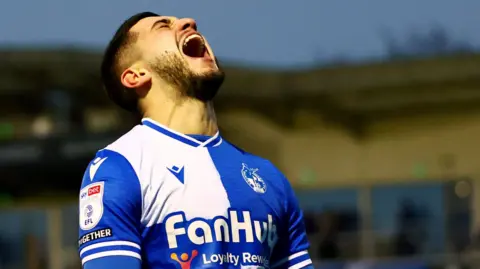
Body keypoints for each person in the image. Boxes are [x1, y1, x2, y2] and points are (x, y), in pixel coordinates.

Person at [77, 12, 313, 269]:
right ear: (136, 75)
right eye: (162, 26)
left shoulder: (268, 177)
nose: (189, 22)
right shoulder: (120, 168)